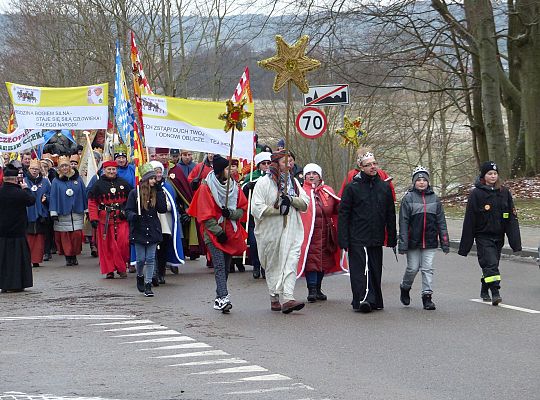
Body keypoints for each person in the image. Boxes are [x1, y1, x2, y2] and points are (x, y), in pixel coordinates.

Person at [251, 150, 309, 314]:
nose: (289, 164)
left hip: (293, 227)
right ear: (276, 164)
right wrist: (277, 210)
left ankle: (288, 298)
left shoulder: (294, 183)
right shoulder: (263, 183)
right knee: (274, 263)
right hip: (271, 230)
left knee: (291, 259)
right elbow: (256, 208)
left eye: (291, 161)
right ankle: (274, 297)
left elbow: (305, 203)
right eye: (285, 162)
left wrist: (291, 200)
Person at [338, 151, 397, 313]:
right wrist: (342, 238)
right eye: (368, 165)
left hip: (376, 235)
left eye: (374, 164)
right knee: (360, 269)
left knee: (374, 268)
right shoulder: (352, 188)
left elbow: (390, 213)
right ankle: (363, 299)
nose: (373, 167)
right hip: (357, 236)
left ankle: (374, 299)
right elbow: (344, 214)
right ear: (361, 167)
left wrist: (392, 236)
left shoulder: (384, 187)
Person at [188, 155, 248, 313]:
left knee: (226, 267)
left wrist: (231, 214)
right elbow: (204, 215)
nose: (231, 171)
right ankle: (223, 297)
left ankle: (218, 297)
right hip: (213, 233)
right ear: (221, 171)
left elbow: (242, 209)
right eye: (228, 168)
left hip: (229, 232)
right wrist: (218, 231)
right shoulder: (205, 187)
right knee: (220, 265)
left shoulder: (234, 187)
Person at [458, 161, 521, 306]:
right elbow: (470, 219)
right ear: (483, 176)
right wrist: (465, 246)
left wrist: (515, 242)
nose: (493, 176)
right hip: (483, 236)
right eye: (489, 174)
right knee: (491, 264)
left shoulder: (504, 192)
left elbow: (511, 217)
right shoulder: (476, 194)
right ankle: (496, 293)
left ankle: (484, 289)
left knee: (491, 265)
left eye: (495, 173)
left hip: (498, 236)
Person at [398, 166, 450, 310]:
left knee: (427, 269)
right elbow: (403, 223)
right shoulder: (408, 199)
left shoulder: (435, 199)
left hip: (430, 240)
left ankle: (427, 297)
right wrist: (403, 244)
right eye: (418, 180)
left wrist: (445, 242)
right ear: (414, 182)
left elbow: (441, 222)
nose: (421, 182)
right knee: (412, 268)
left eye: (424, 180)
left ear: (428, 182)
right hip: (412, 241)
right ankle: (405, 287)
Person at [297, 163, 343, 302]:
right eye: (308, 174)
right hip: (308, 233)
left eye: (314, 173)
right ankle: (311, 289)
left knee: (323, 261)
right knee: (311, 261)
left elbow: (336, 209)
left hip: (326, 232)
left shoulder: (327, 191)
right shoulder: (301, 191)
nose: (311, 176)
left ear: (320, 176)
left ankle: (318, 288)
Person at [125, 163, 167, 297]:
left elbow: (162, 209)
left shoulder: (157, 192)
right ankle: (140, 275)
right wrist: (133, 216)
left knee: (150, 258)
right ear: (146, 179)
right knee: (141, 259)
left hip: (153, 229)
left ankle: (148, 284)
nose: (155, 180)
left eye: (156, 178)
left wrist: (160, 191)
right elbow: (128, 210)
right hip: (139, 229)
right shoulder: (135, 193)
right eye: (152, 178)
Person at [88, 160, 131, 279]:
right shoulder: (97, 185)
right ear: (104, 170)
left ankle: (121, 267)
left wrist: (126, 211)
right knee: (107, 246)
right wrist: (94, 218)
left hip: (121, 218)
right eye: (109, 169)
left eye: (113, 169)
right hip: (105, 220)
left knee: (123, 243)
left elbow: (131, 198)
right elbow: (92, 202)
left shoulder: (124, 183)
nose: (111, 171)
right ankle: (110, 269)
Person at [0, 164, 36, 292]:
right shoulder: (20, 193)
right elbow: (32, 200)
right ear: (16, 179)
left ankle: (4, 284)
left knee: (3, 260)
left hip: (2, 233)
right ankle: (17, 284)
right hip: (18, 233)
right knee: (17, 260)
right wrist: (26, 188)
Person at [49, 155, 87, 266]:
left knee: (76, 235)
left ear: (70, 166)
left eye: (66, 165)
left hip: (76, 211)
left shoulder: (78, 179)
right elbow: (54, 196)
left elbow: (83, 193)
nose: (65, 168)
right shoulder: (56, 181)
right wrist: (53, 212)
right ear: (59, 168)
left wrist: (86, 209)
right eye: (62, 166)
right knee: (65, 237)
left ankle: (74, 255)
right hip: (62, 212)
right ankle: (68, 257)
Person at [151, 160, 184, 284]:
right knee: (151, 249)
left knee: (162, 249)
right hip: (151, 223)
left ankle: (161, 273)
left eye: (160, 172)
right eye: (155, 172)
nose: (158, 175)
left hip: (165, 223)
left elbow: (171, 205)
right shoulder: (146, 186)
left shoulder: (167, 187)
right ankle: (152, 273)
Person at [241, 151, 272, 279]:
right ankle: (256, 264)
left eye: (268, 163)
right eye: (263, 164)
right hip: (254, 215)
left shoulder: (273, 176)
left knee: (267, 242)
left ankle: (266, 267)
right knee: (254, 242)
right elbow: (242, 191)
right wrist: (248, 186)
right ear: (258, 165)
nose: (266, 166)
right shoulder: (252, 176)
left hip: (268, 213)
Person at [24, 159, 52, 268]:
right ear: (29, 169)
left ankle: (37, 259)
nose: (34, 171)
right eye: (32, 169)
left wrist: (47, 198)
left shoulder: (45, 182)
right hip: (28, 213)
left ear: (40, 170)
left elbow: (50, 194)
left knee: (39, 238)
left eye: (36, 169)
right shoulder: (24, 181)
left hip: (41, 213)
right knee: (29, 237)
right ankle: (29, 259)